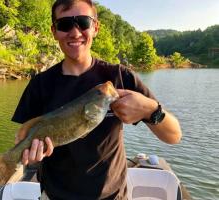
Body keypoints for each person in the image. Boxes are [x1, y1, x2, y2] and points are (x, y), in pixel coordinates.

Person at [12, 0, 182, 199]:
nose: (75, 33)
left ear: (95, 28)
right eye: (65, 25)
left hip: (113, 196)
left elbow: (174, 136)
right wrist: (31, 156)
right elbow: (25, 139)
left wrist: (152, 110)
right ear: (54, 31)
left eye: (83, 22)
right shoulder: (39, 85)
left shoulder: (120, 77)